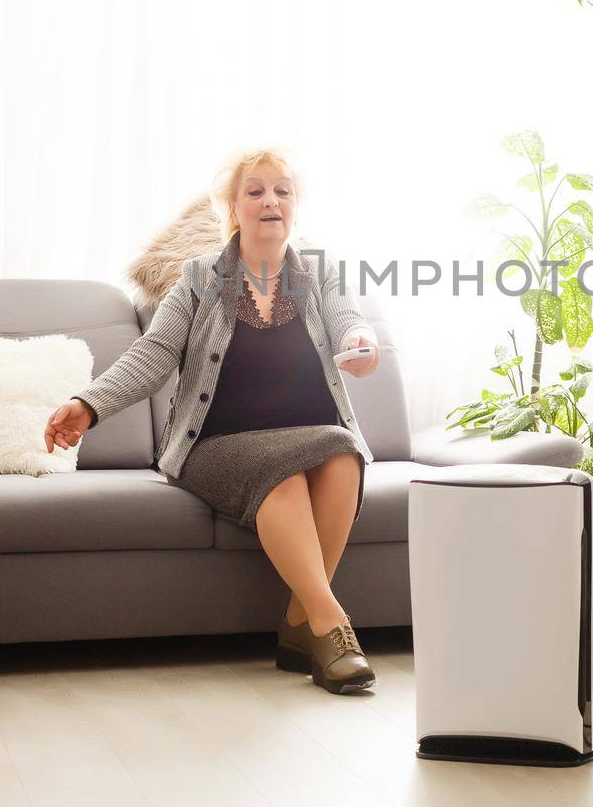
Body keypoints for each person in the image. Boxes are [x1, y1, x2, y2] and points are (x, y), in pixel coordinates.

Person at [42, 148, 381, 694]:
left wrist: (360, 344)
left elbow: (349, 323)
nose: (271, 200)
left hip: (315, 435)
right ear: (233, 208)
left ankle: (300, 623)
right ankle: (331, 625)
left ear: (295, 205)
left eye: (282, 190)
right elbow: (153, 355)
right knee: (286, 475)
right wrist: (89, 405)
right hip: (220, 442)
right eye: (255, 191)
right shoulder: (200, 279)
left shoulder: (319, 273)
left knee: (343, 454)